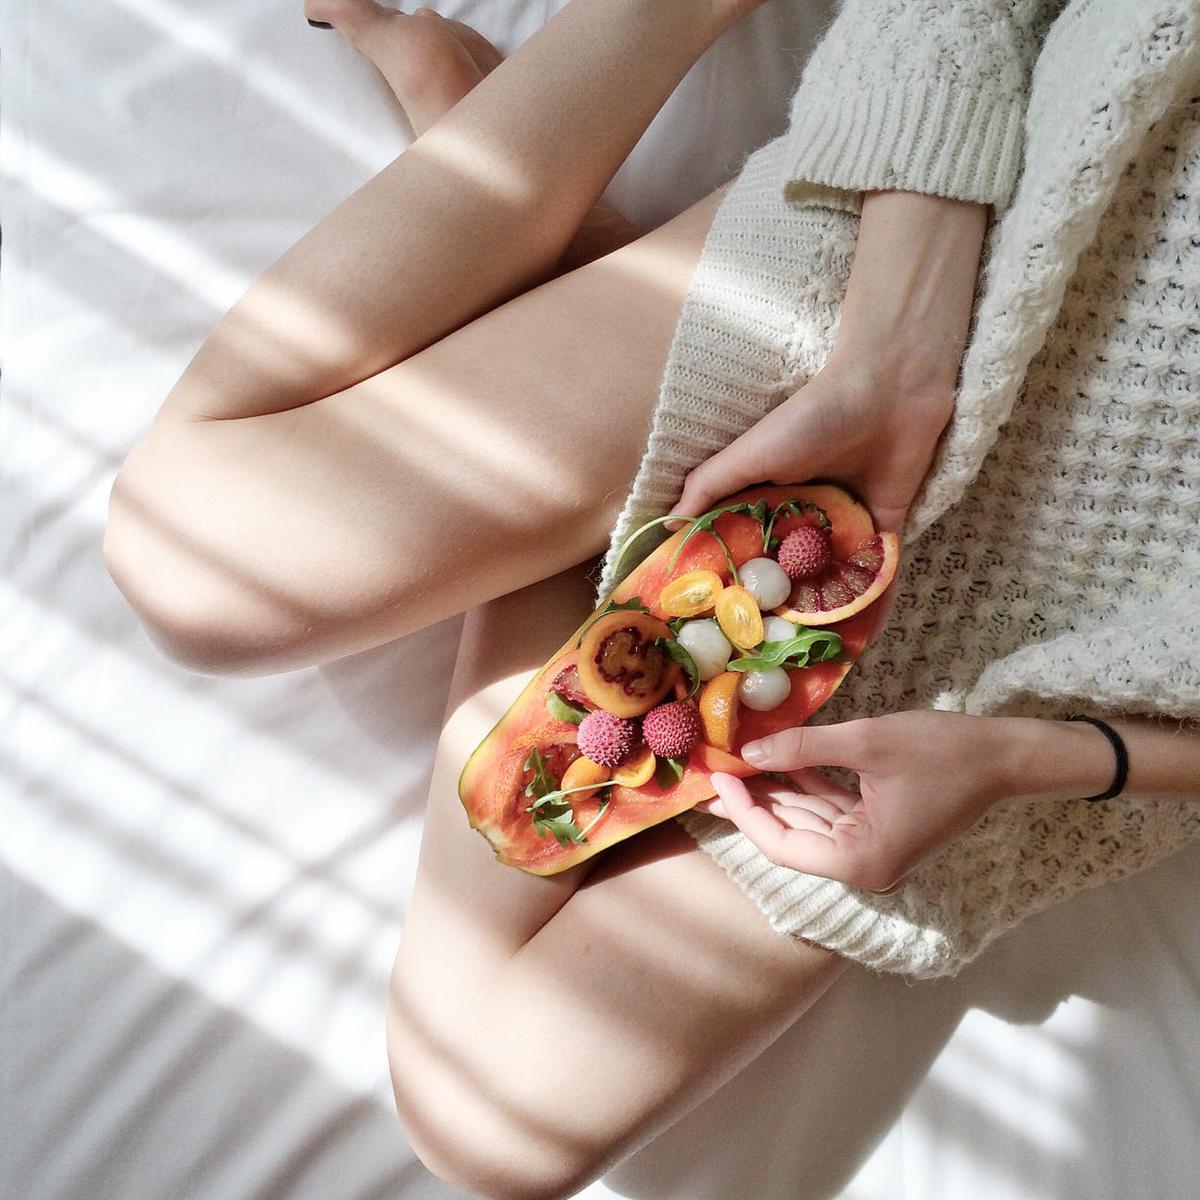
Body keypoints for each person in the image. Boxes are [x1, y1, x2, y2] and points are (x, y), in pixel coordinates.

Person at [102, 1, 1200, 1196]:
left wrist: (1041, 758)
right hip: (927, 285)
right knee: (196, 572)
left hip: (1037, 674)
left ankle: (557, 363)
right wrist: (898, 357)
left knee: (494, 1131)